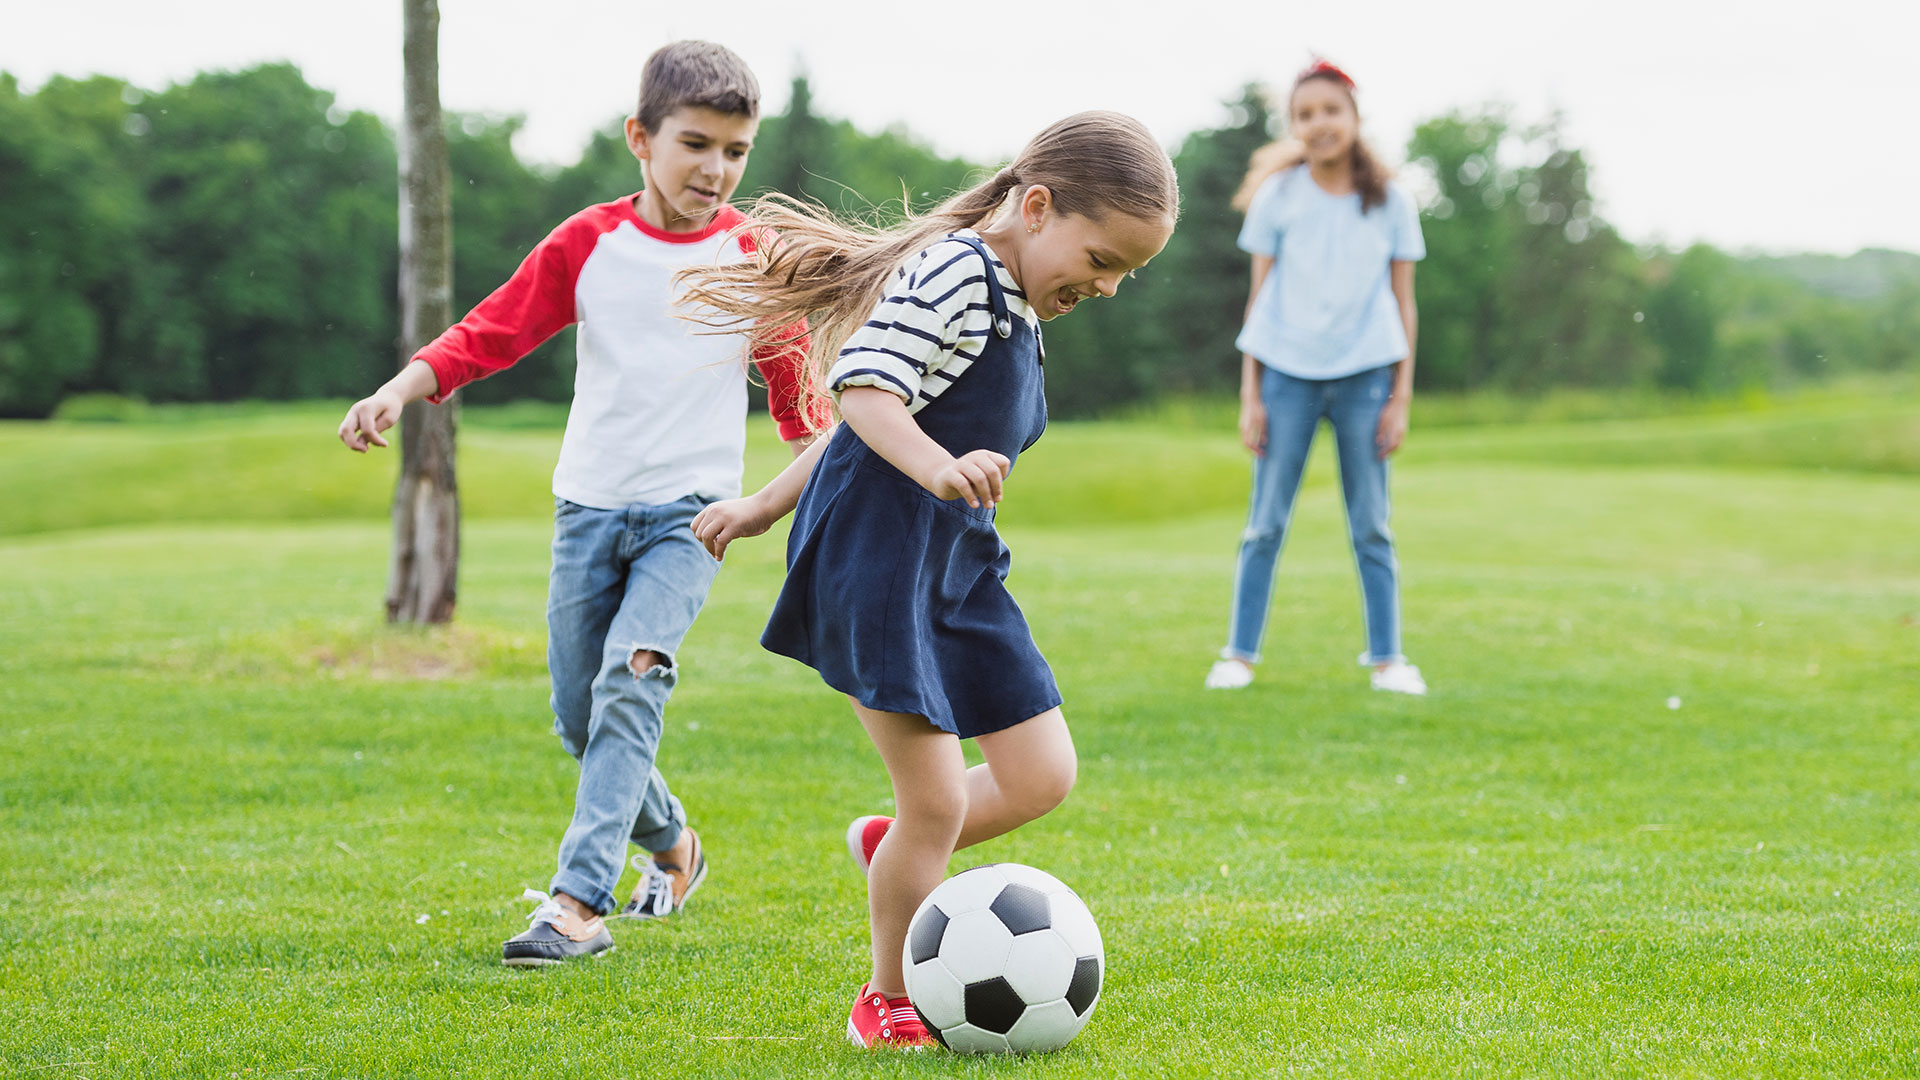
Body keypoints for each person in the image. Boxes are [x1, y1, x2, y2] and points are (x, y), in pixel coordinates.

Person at [676, 111, 1179, 1047]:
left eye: (1125, 275)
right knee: (939, 801)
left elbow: (850, 426)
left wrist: (764, 501)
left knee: (1039, 776)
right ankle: (887, 994)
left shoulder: (1021, 301)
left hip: (955, 565)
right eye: (1102, 258)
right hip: (877, 562)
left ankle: (893, 849)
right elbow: (865, 391)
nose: (1106, 287)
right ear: (1036, 207)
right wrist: (933, 469)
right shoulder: (956, 269)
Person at [335, 40, 816, 967]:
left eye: (737, 150)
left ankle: (576, 905)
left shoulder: (754, 258)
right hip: (588, 509)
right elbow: (490, 331)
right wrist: (397, 391)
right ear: (641, 137)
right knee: (576, 712)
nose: (716, 169)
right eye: (696, 143)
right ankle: (676, 844)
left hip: (693, 517)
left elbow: (805, 408)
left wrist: (785, 498)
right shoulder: (589, 244)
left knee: (631, 681)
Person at [1203, 59, 1429, 696]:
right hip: (1286, 375)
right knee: (1265, 522)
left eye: (1330, 110)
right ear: (1293, 126)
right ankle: (1239, 656)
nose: (1319, 123)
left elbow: (1404, 302)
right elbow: (1260, 297)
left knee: (1372, 524)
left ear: (1355, 117)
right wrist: (1251, 394)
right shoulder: (1279, 197)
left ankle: (1389, 661)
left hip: (1366, 378)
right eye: (1305, 115)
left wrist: (1400, 397)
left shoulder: (1391, 202)